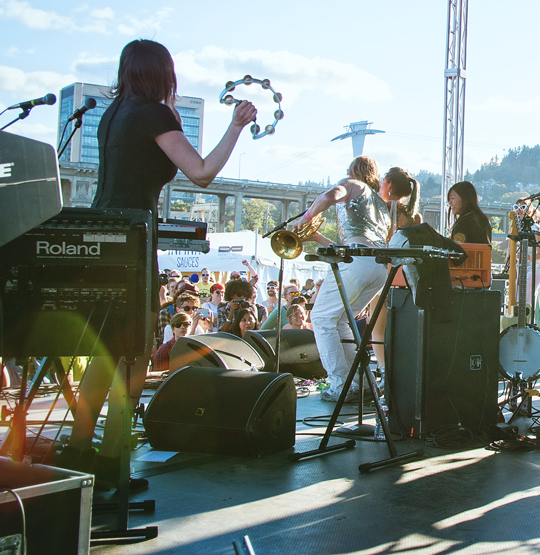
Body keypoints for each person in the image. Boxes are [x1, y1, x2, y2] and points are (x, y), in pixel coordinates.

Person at [58, 39, 256, 487]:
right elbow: (202, 172)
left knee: (105, 352)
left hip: (102, 237)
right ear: (162, 74)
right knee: (131, 356)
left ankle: (77, 450)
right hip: (132, 239)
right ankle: (112, 463)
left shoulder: (112, 115)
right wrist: (236, 126)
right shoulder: (155, 114)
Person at [287, 156, 415, 402]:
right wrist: (315, 237)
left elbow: (328, 197)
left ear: (353, 171)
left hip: (357, 265)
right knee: (340, 321)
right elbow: (354, 245)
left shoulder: (354, 185)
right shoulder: (381, 206)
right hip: (376, 269)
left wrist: (305, 218)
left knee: (322, 318)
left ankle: (340, 385)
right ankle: (362, 381)